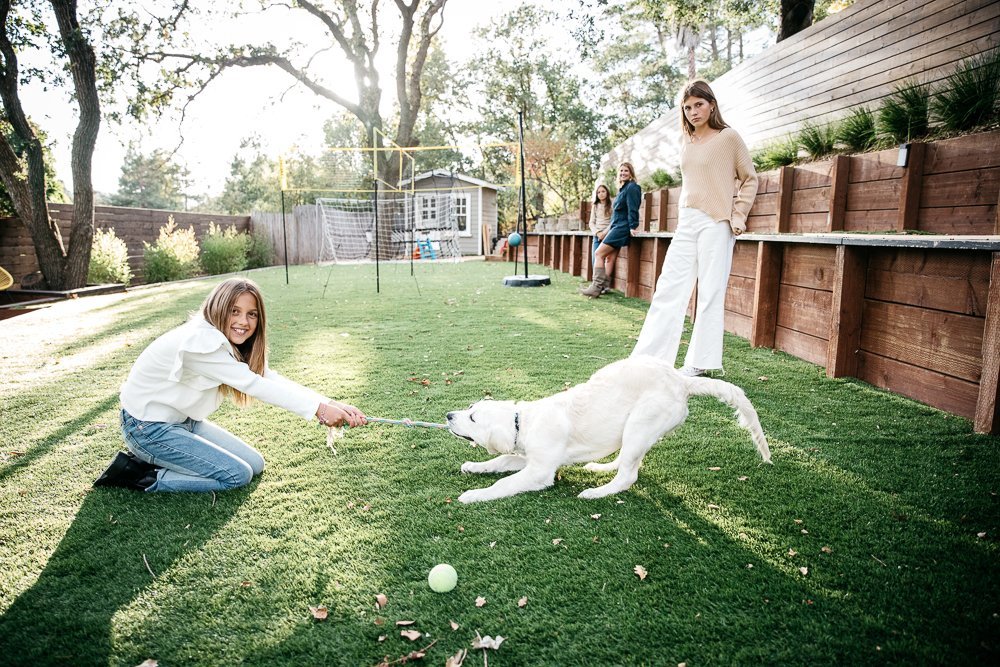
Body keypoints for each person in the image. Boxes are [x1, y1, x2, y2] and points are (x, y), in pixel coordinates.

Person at [94, 277, 367, 493]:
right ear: (218, 308)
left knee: (255, 465)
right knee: (236, 475)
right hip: (148, 429)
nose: (243, 322)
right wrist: (318, 410)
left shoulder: (221, 339)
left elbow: (267, 377)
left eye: (252, 314)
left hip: (181, 422)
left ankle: (161, 459)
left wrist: (330, 404)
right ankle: (139, 474)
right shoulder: (202, 343)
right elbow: (254, 385)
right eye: (234, 311)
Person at [631, 80, 757, 376]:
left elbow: (749, 178)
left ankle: (700, 361)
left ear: (711, 104)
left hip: (716, 222)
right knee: (668, 289)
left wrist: (738, 215)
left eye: (698, 105)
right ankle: (650, 359)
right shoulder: (686, 141)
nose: (693, 112)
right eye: (687, 107)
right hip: (687, 222)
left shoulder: (729, 138)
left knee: (710, 291)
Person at [580, 162, 641, 298]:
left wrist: (632, 226)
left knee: (598, 253)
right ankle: (603, 287)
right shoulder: (623, 189)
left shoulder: (632, 187)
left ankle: (596, 287)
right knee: (609, 257)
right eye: (621, 171)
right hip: (616, 226)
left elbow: (633, 209)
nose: (623, 173)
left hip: (622, 228)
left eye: (626, 171)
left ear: (631, 172)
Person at [582, 183, 613, 293]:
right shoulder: (595, 206)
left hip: (608, 234)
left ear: (607, 192)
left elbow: (613, 221)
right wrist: (597, 233)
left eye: (603, 191)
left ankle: (605, 285)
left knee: (608, 259)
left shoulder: (612, 204)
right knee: (595, 259)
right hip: (597, 236)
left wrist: (605, 233)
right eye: (598, 192)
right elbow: (591, 223)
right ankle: (597, 284)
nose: (601, 194)